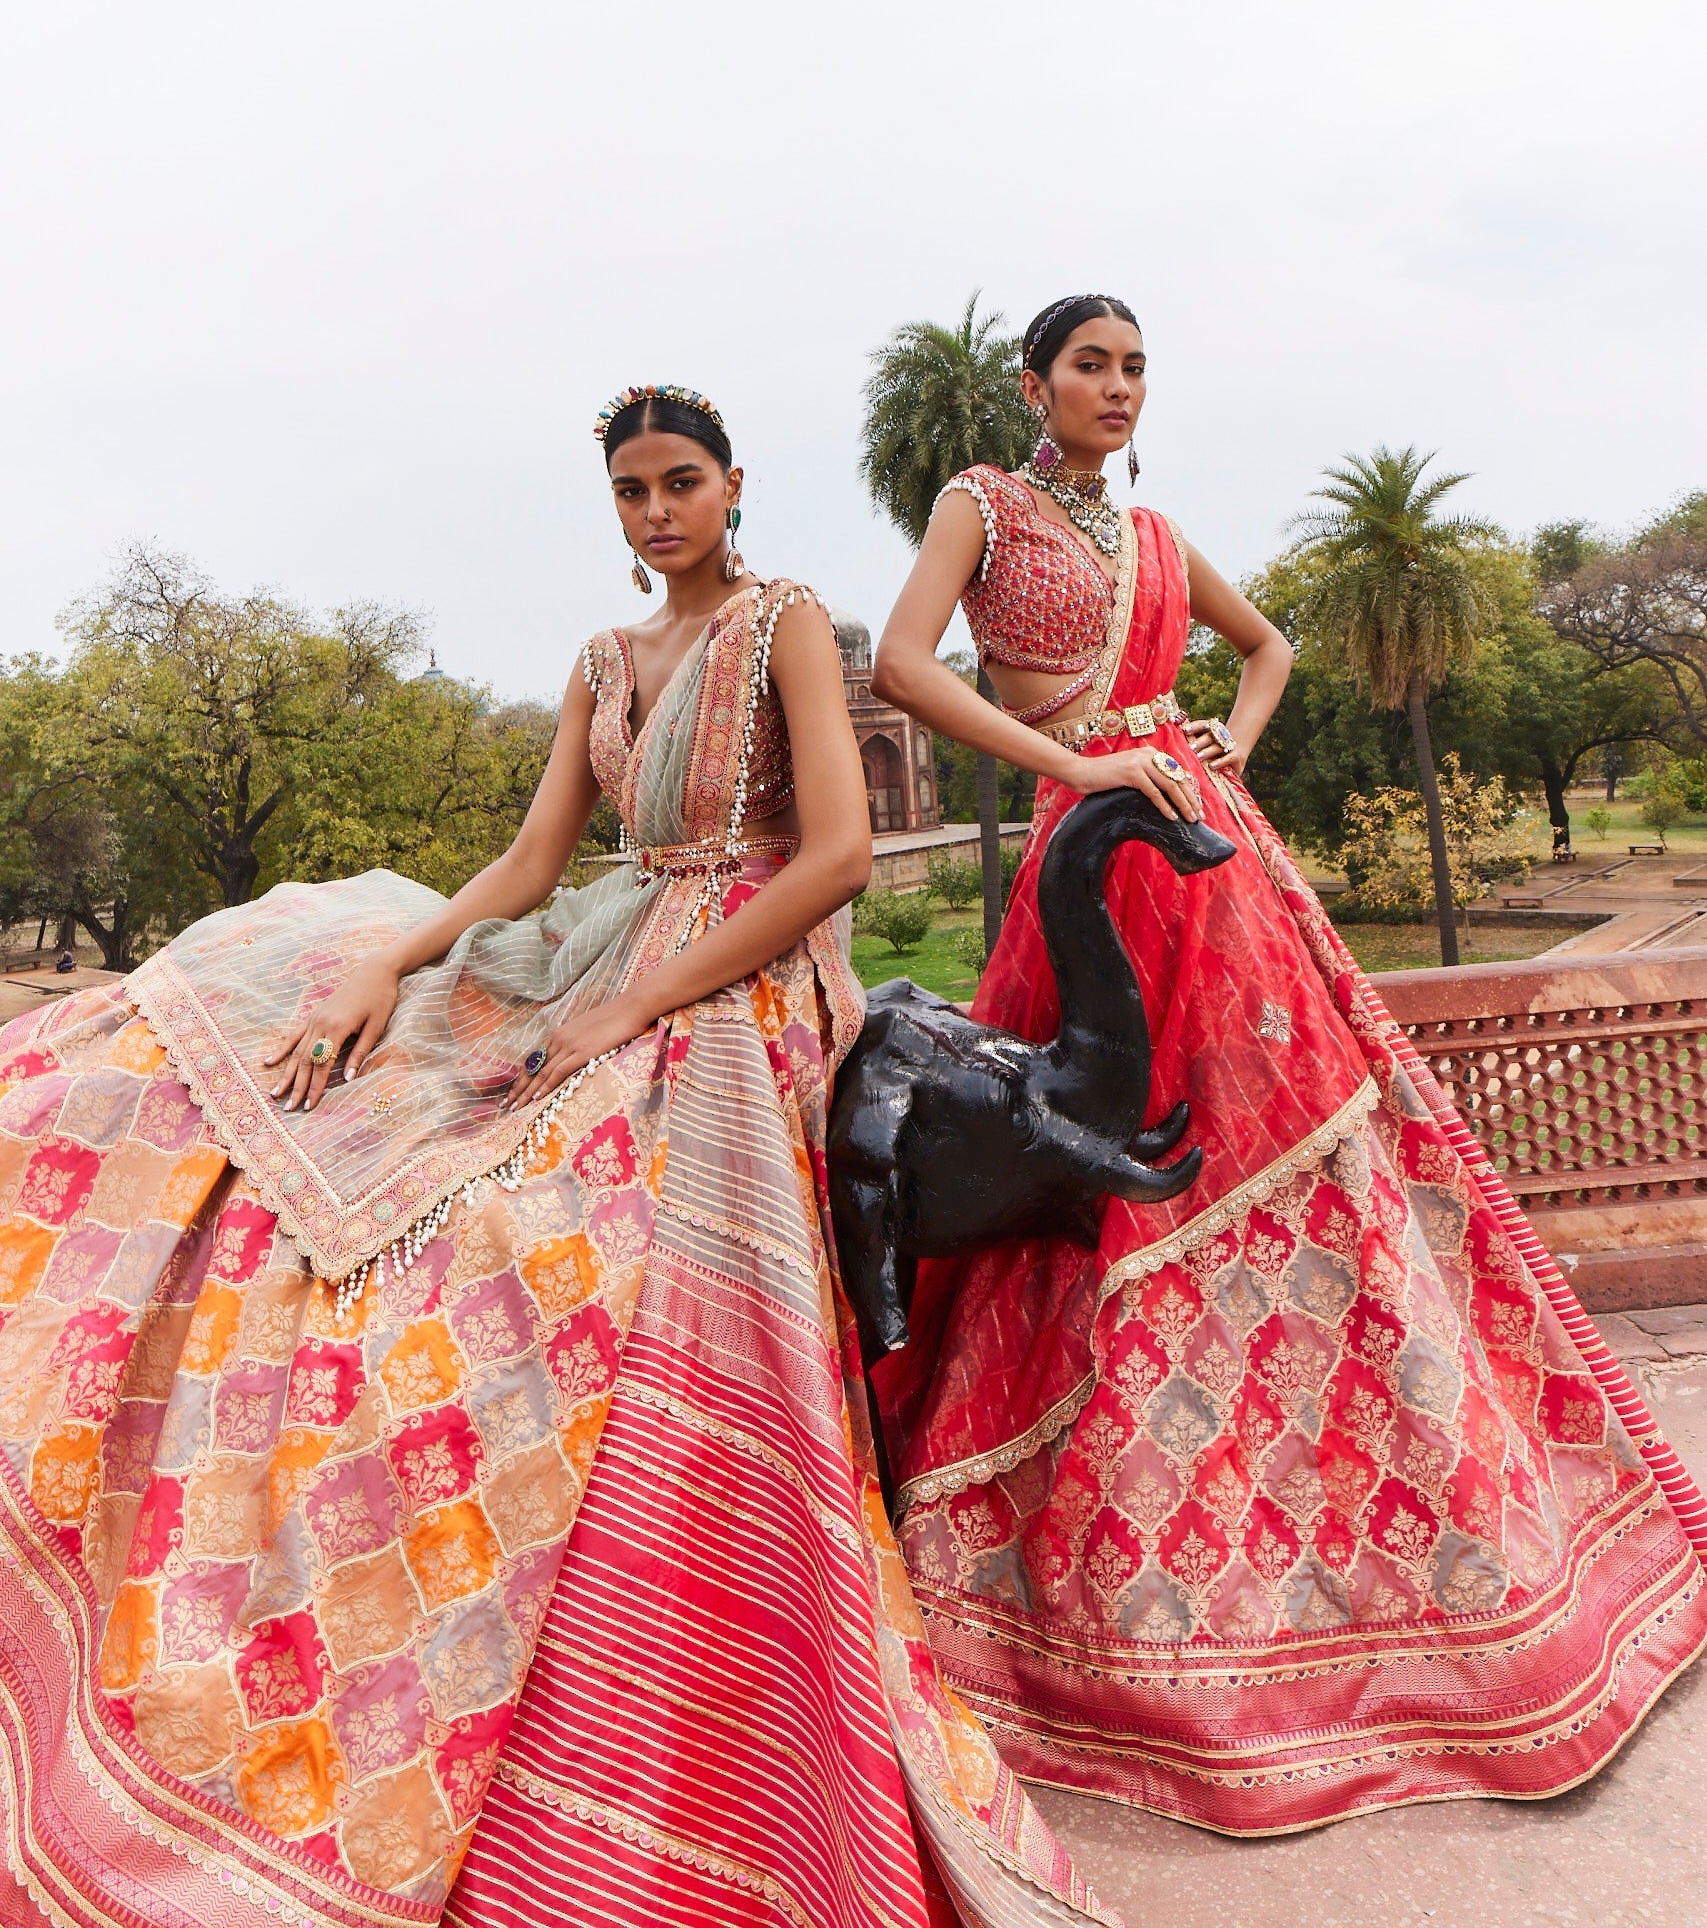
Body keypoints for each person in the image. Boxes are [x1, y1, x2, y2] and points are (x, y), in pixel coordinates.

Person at [0, 386, 1108, 1928]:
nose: (658, 512)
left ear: (734, 488)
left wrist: (644, 1007)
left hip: (745, 982)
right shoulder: (603, 659)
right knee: (337, 1081)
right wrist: (394, 959)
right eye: (632, 490)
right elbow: (531, 864)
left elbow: (844, 857)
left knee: (537, 1210)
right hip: (595, 951)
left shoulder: (788, 623)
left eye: (682, 482)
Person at [868, 295, 1707, 1835]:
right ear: (1035, 383)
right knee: (1082, 1158)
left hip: (1205, 853)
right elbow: (907, 668)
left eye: (1133, 370)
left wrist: (1220, 750)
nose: (1115, 390)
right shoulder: (978, 507)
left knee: (1286, 1141)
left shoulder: (1166, 537)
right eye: (1089, 367)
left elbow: (1274, 647)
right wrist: (1080, 766)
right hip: (1092, 843)